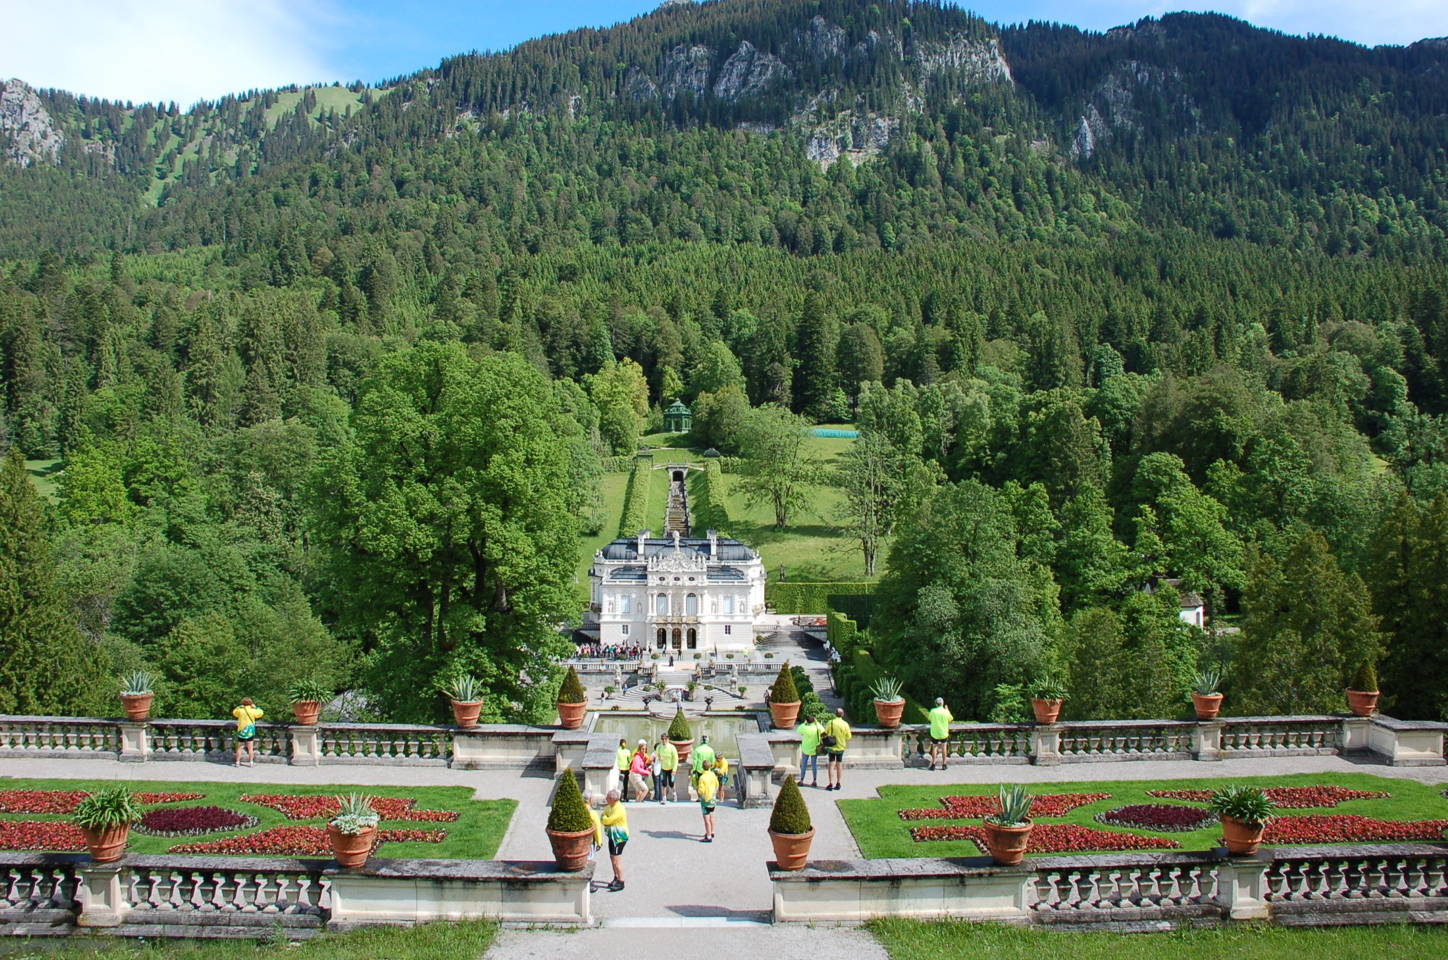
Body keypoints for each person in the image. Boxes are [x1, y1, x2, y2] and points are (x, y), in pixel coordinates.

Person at [600, 789, 628, 891]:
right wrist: (605, 819)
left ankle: (621, 881)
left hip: (619, 837)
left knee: (616, 860)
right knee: (612, 858)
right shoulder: (609, 807)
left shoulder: (619, 808)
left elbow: (608, 820)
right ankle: (616, 877)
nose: (606, 799)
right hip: (612, 835)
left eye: (607, 797)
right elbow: (602, 816)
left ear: (612, 799)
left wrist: (605, 819)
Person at [822, 708, 852, 791]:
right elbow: (849, 736)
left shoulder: (830, 722)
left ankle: (830, 783)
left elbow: (825, 733)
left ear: (835, 714)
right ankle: (838, 783)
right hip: (841, 746)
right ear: (842, 715)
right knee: (839, 764)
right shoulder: (845, 724)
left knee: (831, 764)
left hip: (831, 746)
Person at [231, 697, 264, 768]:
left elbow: (234, 712)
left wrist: (239, 707)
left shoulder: (240, 710)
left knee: (239, 747)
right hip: (250, 731)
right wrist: (256, 707)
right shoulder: (252, 710)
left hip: (241, 730)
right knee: (250, 748)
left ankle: (237, 762)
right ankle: (251, 763)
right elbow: (260, 713)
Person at [796, 712, 823, 787]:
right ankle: (814, 780)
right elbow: (823, 730)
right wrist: (817, 723)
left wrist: (804, 723)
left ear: (807, 721)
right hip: (814, 748)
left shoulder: (804, 727)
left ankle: (802, 780)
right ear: (814, 721)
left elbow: (798, 729)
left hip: (805, 748)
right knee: (814, 765)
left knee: (804, 765)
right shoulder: (817, 727)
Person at [927, 697, 954, 771]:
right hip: (943, 732)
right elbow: (951, 719)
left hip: (935, 732)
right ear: (942, 703)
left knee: (934, 747)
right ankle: (944, 764)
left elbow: (929, 719)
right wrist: (947, 710)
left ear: (936, 704)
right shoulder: (945, 711)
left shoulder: (933, 711)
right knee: (944, 747)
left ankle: (933, 764)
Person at [696, 763, 719, 842]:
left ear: (703, 767)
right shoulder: (713, 775)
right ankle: (712, 832)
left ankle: (708, 836)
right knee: (711, 815)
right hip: (713, 798)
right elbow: (717, 784)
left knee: (706, 819)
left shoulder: (702, 777)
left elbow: (701, 790)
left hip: (706, 799)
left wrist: (699, 792)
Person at [656, 735, 679, 804]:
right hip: (663, 768)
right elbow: (657, 755)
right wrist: (659, 758)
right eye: (662, 739)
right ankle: (664, 798)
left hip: (671, 768)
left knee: (672, 783)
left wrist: (674, 769)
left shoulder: (672, 747)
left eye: (665, 739)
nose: (664, 740)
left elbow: (675, 759)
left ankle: (674, 795)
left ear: (668, 739)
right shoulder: (659, 747)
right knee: (664, 783)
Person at [584, 791, 604, 864]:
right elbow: (597, 829)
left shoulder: (578, 810)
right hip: (589, 840)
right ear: (590, 800)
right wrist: (599, 842)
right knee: (588, 860)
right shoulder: (592, 813)